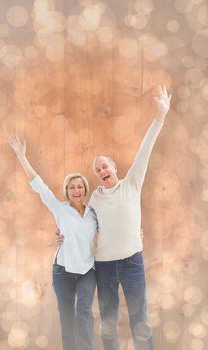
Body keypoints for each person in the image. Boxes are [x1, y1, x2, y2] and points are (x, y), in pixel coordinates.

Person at [56, 85, 171, 350]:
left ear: (114, 168)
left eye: (105, 166)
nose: (101, 171)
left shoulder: (132, 183)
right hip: (105, 266)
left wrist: (161, 115)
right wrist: (62, 234)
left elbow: (146, 147)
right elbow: (81, 223)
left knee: (140, 321)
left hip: (132, 262)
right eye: (97, 169)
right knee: (108, 324)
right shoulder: (94, 198)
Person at [8, 135, 98, 350]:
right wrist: (22, 156)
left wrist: (136, 234)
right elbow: (39, 186)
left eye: (79, 187)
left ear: (85, 189)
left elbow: (113, 229)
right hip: (63, 271)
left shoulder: (95, 213)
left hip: (88, 270)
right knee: (67, 316)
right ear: (66, 192)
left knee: (84, 312)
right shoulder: (60, 209)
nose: (76, 191)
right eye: (71, 188)